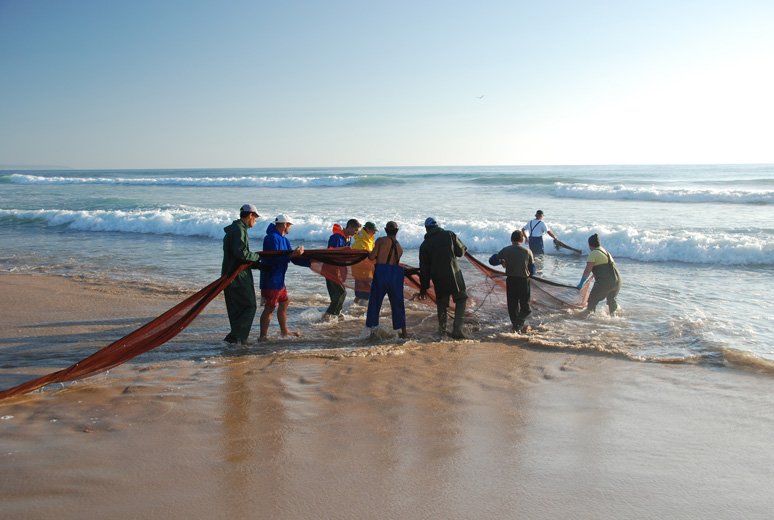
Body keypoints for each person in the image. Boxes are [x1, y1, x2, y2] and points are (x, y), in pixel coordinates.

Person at [258, 214, 309, 340]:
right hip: (270, 279)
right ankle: (262, 336)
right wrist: (292, 255)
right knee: (269, 307)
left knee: (284, 302)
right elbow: (273, 259)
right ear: (284, 224)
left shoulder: (285, 240)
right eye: (289, 225)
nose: (290, 228)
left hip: (279, 279)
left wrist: (309, 261)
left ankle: (284, 331)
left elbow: (290, 257)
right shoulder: (270, 238)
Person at [221, 204, 265, 345]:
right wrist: (257, 258)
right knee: (250, 306)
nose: (255, 221)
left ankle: (236, 339)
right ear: (250, 215)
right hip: (238, 277)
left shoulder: (235, 229)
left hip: (229, 274)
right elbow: (241, 253)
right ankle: (236, 338)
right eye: (255, 217)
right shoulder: (240, 230)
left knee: (236, 309)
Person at [418, 217, 468, 339]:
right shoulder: (449, 234)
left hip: (438, 279)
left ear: (426, 229)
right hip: (454, 275)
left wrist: (423, 288)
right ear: (437, 226)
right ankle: (457, 330)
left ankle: (442, 331)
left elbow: (424, 270)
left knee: (442, 304)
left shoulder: (424, 246)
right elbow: (461, 252)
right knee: (461, 299)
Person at [366, 221, 407, 338]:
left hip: (381, 273)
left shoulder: (380, 241)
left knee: (375, 302)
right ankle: (404, 332)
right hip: (395, 275)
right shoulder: (400, 248)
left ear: (385, 230)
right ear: (397, 231)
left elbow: (371, 257)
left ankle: (373, 333)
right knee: (398, 304)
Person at [489, 229, 536, 332]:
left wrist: (501, 260)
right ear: (522, 240)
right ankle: (517, 326)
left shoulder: (506, 250)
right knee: (526, 308)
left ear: (511, 239)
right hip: (523, 281)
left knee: (512, 306)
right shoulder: (527, 251)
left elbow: (492, 261)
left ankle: (516, 327)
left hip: (511, 281)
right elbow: (532, 270)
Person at [322, 218, 362, 320]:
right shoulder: (336, 238)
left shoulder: (347, 238)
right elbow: (332, 255)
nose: (356, 233)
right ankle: (327, 315)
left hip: (338, 270)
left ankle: (336, 313)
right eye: (355, 230)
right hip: (331, 270)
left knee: (337, 293)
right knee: (341, 293)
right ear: (349, 227)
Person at [577, 233, 622, 316]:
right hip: (617, 281)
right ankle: (614, 320)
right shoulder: (605, 252)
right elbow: (605, 268)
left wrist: (581, 283)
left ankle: (588, 319)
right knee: (611, 301)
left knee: (592, 300)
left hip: (606, 282)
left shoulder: (594, 253)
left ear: (590, 245)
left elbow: (587, 270)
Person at [351, 221, 377, 304]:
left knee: (363, 291)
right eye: (373, 230)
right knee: (364, 290)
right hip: (360, 269)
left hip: (366, 269)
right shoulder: (361, 241)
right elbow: (361, 256)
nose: (374, 232)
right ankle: (358, 308)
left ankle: (355, 305)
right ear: (368, 229)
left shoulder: (369, 238)